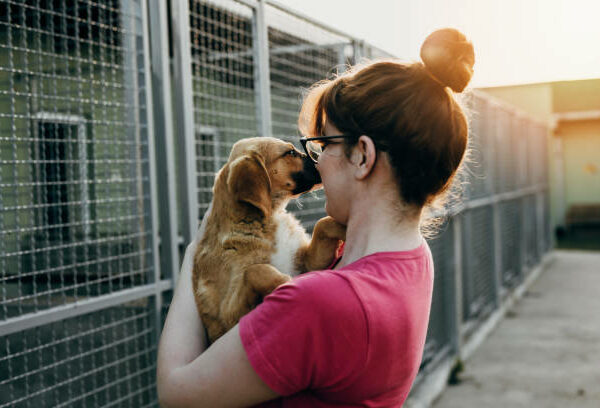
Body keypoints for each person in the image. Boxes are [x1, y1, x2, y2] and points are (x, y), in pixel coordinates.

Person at [157, 27, 475, 408]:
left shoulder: (317, 305)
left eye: (322, 144)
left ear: (362, 155)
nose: (316, 161)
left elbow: (176, 393)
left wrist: (199, 249)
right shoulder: (411, 258)